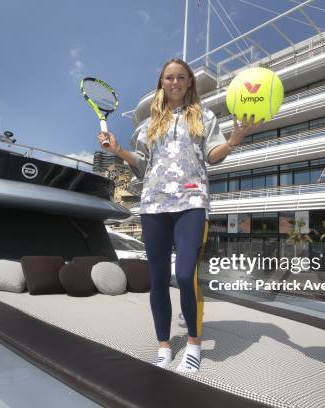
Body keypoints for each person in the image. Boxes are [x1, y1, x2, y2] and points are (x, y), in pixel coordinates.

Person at [98, 58, 259, 372]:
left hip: (192, 201)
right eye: (168, 78)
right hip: (154, 204)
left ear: (189, 83)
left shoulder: (204, 116)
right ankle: (163, 344)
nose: (174, 82)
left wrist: (232, 142)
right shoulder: (149, 124)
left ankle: (194, 343)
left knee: (186, 275)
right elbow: (141, 163)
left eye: (180, 77)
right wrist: (118, 150)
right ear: (162, 83)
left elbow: (212, 156)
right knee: (157, 279)